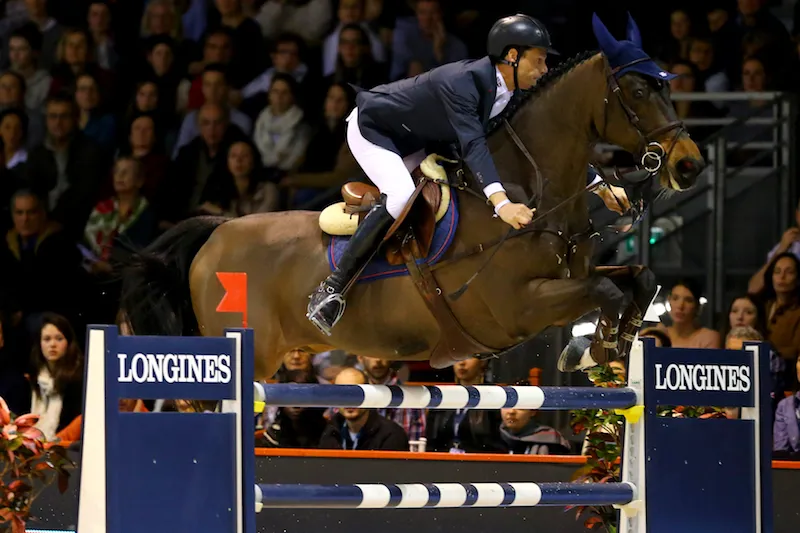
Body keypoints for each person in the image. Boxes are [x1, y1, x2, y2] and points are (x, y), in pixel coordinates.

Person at [306, 13, 630, 336]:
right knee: (402, 195)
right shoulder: (464, 83)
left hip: (422, 137)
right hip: (376, 130)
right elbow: (475, 145)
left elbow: (528, 149)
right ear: (512, 56)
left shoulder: (513, 91)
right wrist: (502, 205)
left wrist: (599, 186)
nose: (544, 70)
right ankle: (332, 289)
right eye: (540, 60)